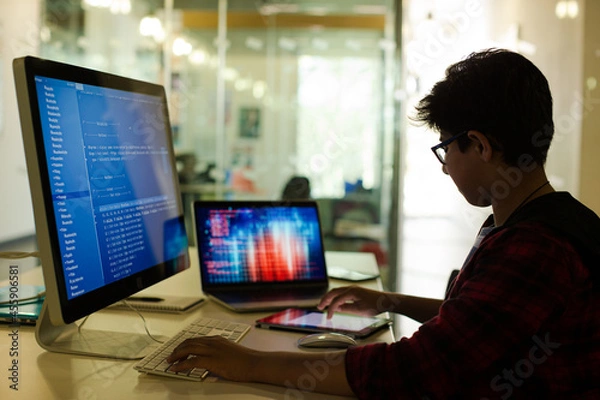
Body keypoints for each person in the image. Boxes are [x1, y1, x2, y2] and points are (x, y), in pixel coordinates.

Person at [167, 49, 600, 399]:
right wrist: (389, 301)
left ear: (481, 146)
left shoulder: (535, 248)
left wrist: (250, 363)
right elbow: (482, 324)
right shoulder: (551, 220)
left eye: (446, 148)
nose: (446, 167)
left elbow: (418, 372)